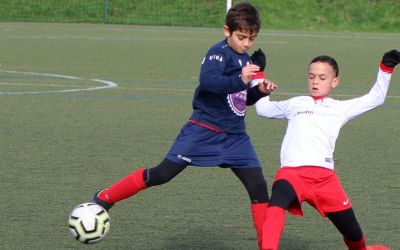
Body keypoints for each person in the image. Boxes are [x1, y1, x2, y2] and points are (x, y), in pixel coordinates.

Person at [91, 2, 274, 248]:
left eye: (251, 39)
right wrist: (241, 78)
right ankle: (105, 197)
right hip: (203, 131)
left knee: (259, 188)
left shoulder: (245, 58)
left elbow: (239, 100)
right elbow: (209, 82)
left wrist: (259, 91)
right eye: (241, 37)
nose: (246, 44)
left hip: (235, 137)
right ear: (226, 31)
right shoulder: (217, 53)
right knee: (162, 174)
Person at [254, 50, 399, 250]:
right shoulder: (295, 103)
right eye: (312, 77)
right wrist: (258, 77)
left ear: (335, 81)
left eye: (322, 78)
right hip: (292, 174)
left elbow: (376, 98)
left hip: (325, 180)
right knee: (275, 205)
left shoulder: (339, 108)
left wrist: (386, 67)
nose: (315, 82)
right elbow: (263, 109)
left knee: (353, 232)